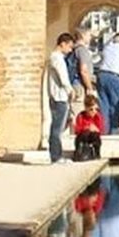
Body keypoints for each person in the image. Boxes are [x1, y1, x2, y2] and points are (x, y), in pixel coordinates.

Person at [45, 33, 77, 163]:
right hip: (59, 96)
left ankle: (56, 155)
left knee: (58, 127)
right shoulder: (57, 58)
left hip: (59, 96)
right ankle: (56, 156)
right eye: (69, 47)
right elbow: (63, 77)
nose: (70, 50)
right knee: (57, 128)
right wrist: (70, 89)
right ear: (62, 44)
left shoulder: (55, 58)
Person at [72, 94, 105, 160]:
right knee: (84, 134)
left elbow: (102, 130)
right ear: (86, 108)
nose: (94, 111)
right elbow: (77, 130)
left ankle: (96, 153)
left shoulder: (98, 116)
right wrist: (86, 128)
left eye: (96, 109)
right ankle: (78, 153)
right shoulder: (81, 116)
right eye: (91, 109)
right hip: (83, 136)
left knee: (96, 136)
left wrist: (96, 129)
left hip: (93, 136)